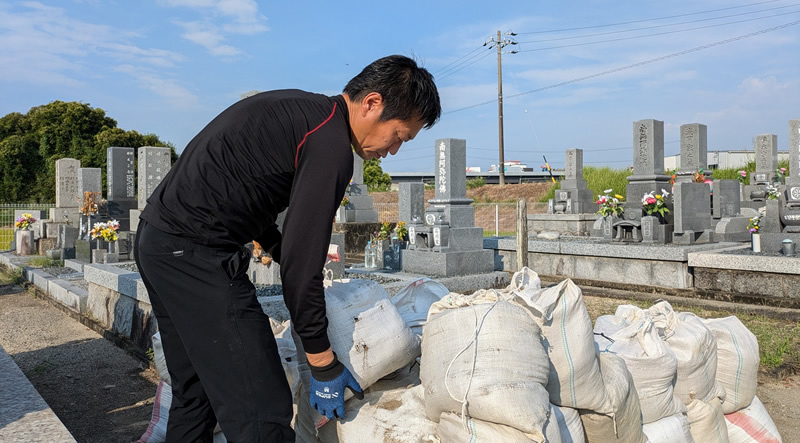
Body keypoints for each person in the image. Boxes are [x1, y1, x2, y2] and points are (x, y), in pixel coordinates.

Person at [134, 55, 441, 442]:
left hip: (159, 243)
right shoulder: (330, 145)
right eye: (399, 135)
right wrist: (323, 362)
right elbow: (300, 269)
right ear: (372, 103)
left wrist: (281, 248)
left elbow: (247, 196)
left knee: (197, 394)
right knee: (261, 406)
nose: (393, 150)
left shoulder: (305, 114)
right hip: (196, 254)